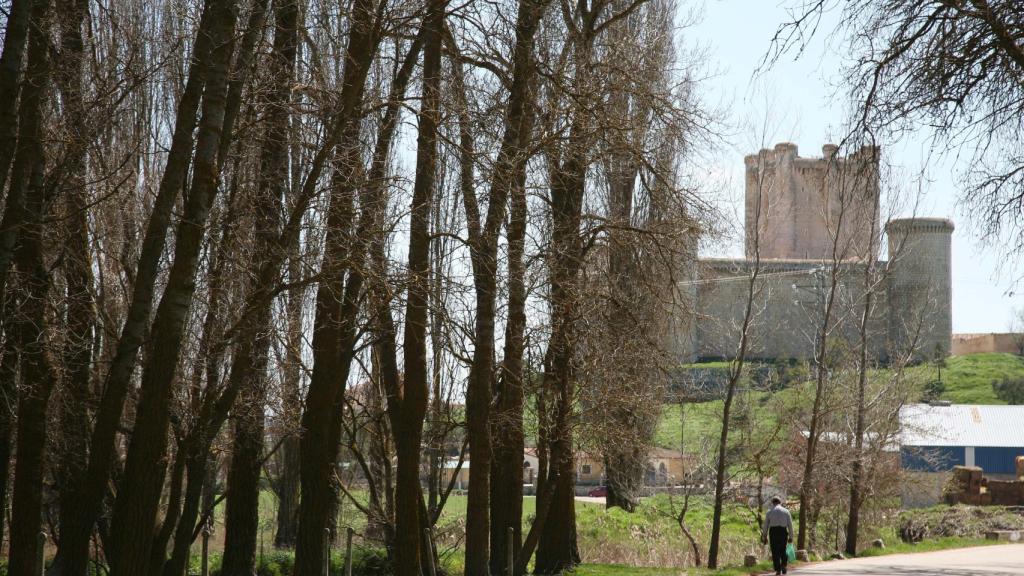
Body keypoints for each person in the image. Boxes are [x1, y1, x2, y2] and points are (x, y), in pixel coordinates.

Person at [761, 496, 793, 575]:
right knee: (783, 549)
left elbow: (766, 525)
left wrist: (764, 536)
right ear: (780, 502)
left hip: (773, 532)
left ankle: (778, 569)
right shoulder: (786, 511)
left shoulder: (769, 512)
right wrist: (791, 536)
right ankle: (784, 566)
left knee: (775, 551)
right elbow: (790, 525)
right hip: (783, 532)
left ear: (772, 503)